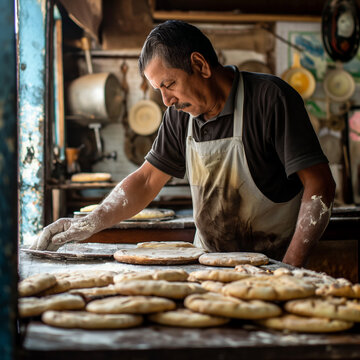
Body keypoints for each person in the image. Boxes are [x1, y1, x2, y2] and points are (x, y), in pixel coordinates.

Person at [31, 20, 336, 267]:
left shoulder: (271, 100)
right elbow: (147, 179)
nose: (166, 101)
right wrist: (90, 221)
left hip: (274, 264)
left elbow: (320, 185)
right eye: (158, 90)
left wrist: (290, 269)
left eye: (169, 84)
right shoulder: (180, 116)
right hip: (208, 267)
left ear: (200, 65)